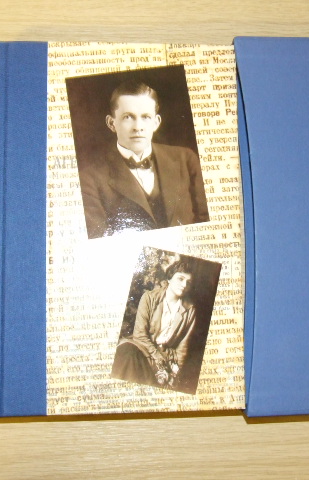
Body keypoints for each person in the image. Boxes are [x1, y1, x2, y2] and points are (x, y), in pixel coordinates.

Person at [78, 80, 209, 239]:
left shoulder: (186, 159)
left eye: (146, 117)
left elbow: (206, 222)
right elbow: (99, 239)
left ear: (156, 122)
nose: (138, 127)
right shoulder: (89, 178)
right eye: (128, 117)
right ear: (111, 123)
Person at [111, 260, 197, 389]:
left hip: (167, 355)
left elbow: (183, 346)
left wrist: (176, 369)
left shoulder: (190, 309)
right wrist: (156, 355)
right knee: (125, 356)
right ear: (169, 278)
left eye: (189, 282)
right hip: (143, 347)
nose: (184, 285)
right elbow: (139, 334)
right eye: (180, 279)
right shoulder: (149, 298)